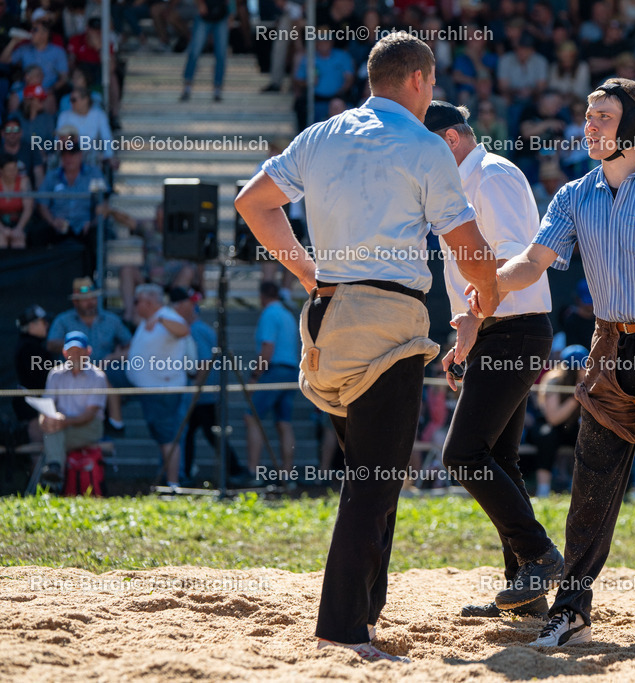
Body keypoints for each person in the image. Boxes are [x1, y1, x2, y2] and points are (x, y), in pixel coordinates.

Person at [235, 31, 499, 663]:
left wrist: (303, 270)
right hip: (389, 319)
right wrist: (486, 294)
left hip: (328, 318)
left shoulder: (322, 134)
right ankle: (344, 628)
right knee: (376, 482)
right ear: (418, 81)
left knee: (370, 476)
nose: (431, 92)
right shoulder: (426, 146)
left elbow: (253, 203)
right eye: (431, 83)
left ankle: (366, 614)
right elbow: (467, 247)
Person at [468, 77, 635, 649]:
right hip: (611, 345)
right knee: (590, 488)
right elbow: (534, 260)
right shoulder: (574, 195)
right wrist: (490, 286)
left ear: (633, 130)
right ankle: (572, 610)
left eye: (603, 117)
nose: (588, 125)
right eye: (588, 115)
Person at [422, 100, 563, 619]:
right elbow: (479, 274)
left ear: (451, 140)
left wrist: (472, 325)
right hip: (498, 330)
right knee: (498, 459)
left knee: (462, 454)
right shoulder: (466, 179)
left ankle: (541, 555)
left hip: (514, 330)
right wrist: (467, 333)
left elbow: (510, 262)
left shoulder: (491, 175)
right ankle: (526, 591)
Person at [169, 287, 245, 484]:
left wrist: (195, 387)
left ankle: (235, 470)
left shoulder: (196, 330)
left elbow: (203, 362)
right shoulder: (198, 328)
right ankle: (185, 473)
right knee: (192, 433)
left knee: (211, 435)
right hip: (205, 392)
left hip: (205, 394)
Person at [123, 284, 192, 489]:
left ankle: (172, 485)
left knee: (168, 438)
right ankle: (114, 420)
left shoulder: (167, 316)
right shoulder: (147, 321)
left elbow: (184, 330)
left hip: (163, 390)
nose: (134, 306)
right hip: (147, 388)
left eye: (137, 302)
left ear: (149, 302)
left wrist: (161, 320)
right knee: (163, 438)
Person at [47, 277, 132, 433]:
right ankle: (112, 423)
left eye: (93, 298)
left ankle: (115, 422)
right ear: (75, 302)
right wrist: (74, 349)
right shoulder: (63, 320)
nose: (90, 302)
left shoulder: (111, 320)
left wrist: (112, 357)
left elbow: (131, 345)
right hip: (73, 371)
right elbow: (51, 343)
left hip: (104, 369)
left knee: (106, 375)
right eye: (85, 299)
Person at [244, 281, 299, 484]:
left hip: (274, 371)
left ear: (262, 296)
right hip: (291, 371)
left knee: (252, 418)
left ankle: (253, 472)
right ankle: (287, 474)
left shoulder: (269, 314)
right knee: (283, 422)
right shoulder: (287, 315)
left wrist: (255, 376)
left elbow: (267, 348)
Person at [38, 331, 107, 489]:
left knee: (53, 439)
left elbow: (90, 414)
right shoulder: (55, 374)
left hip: (89, 426)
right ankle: (54, 477)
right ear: (64, 353)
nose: (75, 355)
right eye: (71, 351)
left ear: (88, 352)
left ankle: (52, 482)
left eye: (79, 351)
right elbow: (46, 404)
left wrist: (63, 423)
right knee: (51, 432)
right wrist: (44, 421)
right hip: (61, 426)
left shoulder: (98, 377)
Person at [530, 344, 588, 496]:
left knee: (589, 437)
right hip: (550, 425)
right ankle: (543, 489)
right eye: (582, 366)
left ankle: (580, 487)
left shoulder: (590, 381)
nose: (586, 369)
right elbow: (553, 419)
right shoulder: (554, 381)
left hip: (573, 426)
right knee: (547, 437)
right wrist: (576, 399)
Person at [13, 305, 54, 444]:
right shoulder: (29, 348)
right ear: (32, 325)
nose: (47, 325)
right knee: (39, 446)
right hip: (34, 406)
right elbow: (40, 377)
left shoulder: (33, 346)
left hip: (38, 404)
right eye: (43, 322)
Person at [180, 0, 232, 101]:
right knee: (194, 51)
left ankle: (218, 88)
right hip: (203, 14)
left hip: (222, 14)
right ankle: (187, 86)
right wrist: (200, 3)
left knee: (221, 54)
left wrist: (232, 14)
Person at [0, 152, 31, 248]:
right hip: (1, 223)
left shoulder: (24, 181)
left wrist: (19, 228)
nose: (13, 172)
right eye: (9, 170)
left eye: (15, 168)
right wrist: (2, 229)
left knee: (18, 240)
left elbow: (28, 209)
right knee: (1, 240)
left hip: (20, 221)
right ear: (1, 171)